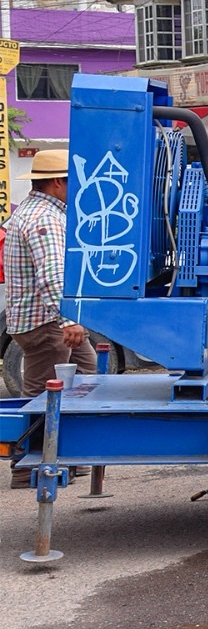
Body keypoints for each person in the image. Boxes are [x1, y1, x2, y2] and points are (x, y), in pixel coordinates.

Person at [7, 149, 95, 488]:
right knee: (42, 393)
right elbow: (53, 277)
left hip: (40, 320)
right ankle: (25, 467)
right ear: (59, 182)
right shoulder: (45, 219)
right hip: (44, 323)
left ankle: (72, 455)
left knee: (89, 374)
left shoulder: (34, 211)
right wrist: (68, 320)